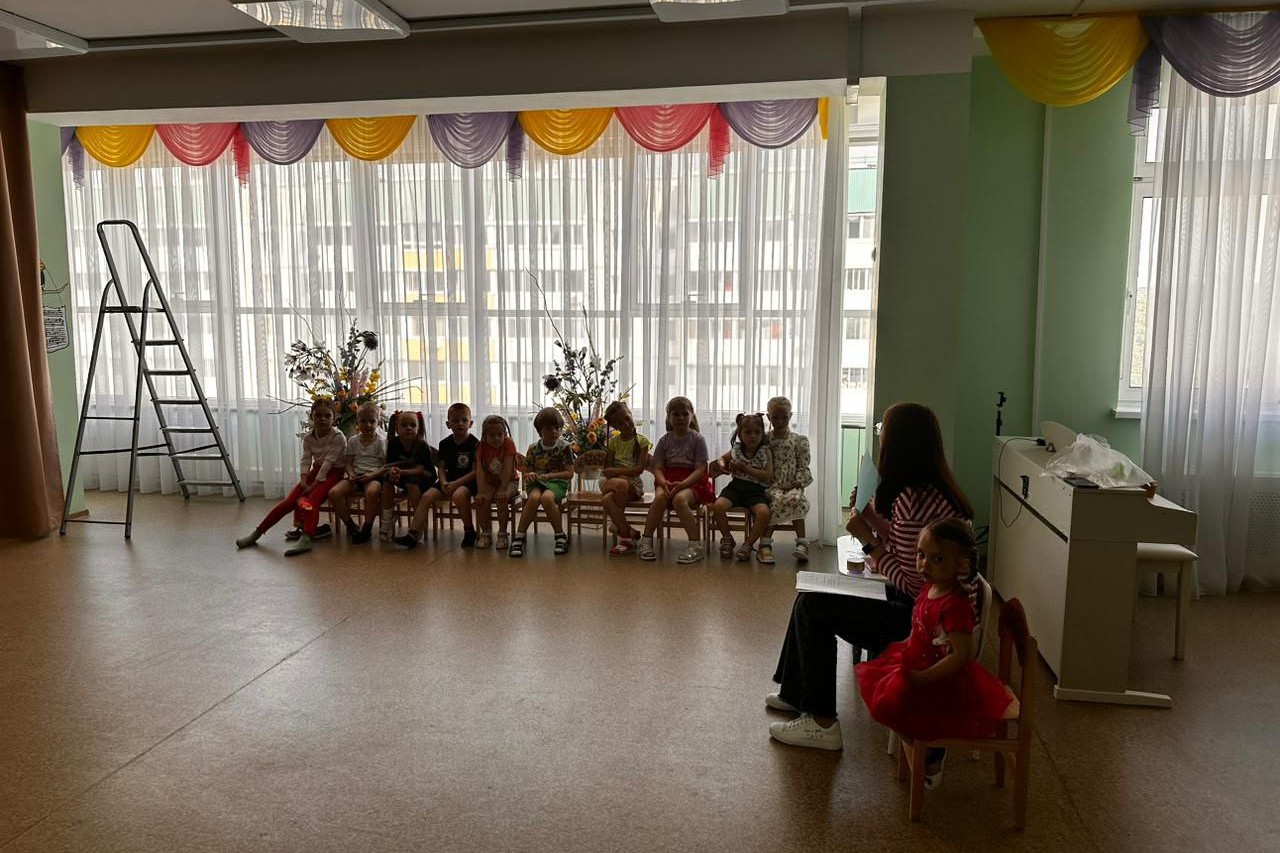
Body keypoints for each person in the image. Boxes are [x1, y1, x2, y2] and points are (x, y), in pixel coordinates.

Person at [767, 402, 975, 751]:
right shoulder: (930, 491)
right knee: (808, 599)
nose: (880, 438)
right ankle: (797, 693)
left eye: (882, 431)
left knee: (813, 608)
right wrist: (871, 519)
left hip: (922, 623)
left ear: (898, 443)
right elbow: (908, 547)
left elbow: (912, 582)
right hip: (924, 609)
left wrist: (867, 540)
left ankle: (822, 723)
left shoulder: (916, 501)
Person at [855, 519, 1015, 785]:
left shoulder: (955, 605)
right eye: (921, 555)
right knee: (884, 699)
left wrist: (923, 677)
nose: (924, 565)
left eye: (937, 559)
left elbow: (962, 655)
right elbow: (919, 629)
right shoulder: (929, 588)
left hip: (941, 677)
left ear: (960, 564)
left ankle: (930, 757)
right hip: (918, 661)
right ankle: (925, 750)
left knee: (894, 705)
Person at [235, 398, 346, 557]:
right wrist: (303, 480)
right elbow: (306, 460)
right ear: (311, 416)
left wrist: (313, 486)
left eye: (327, 416)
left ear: (334, 418)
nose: (322, 419)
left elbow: (328, 462)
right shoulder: (308, 437)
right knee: (288, 502)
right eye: (318, 415)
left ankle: (306, 538)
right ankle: (257, 533)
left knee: (311, 501)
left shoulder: (338, 437)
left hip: (334, 473)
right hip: (317, 471)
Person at [637, 396, 715, 564]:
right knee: (660, 498)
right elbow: (658, 467)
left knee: (680, 499)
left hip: (693, 481)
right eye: (676, 414)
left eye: (685, 414)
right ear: (669, 417)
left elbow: (700, 469)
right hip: (668, 478)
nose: (681, 417)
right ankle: (646, 541)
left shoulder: (698, 439)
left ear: (692, 416)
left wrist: (683, 485)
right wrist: (663, 482)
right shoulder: (664, 440)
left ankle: (695, 545)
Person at [509, 407, 576, 558]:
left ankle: (560, 535)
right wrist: (530, 474)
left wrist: (550, 476)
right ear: (540, 431)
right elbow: (526, 471)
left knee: (546, 498)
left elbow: (569, 473)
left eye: (558, 428)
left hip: (557, 482)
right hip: (536, 483)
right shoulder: (533, 448)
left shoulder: (565, 447)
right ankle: (519, 536)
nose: (554, 431)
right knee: (533, 498)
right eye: (549, 428)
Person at [709, 412, 773, 562]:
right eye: (748, 432)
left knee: (764, 513)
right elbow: (722, 459)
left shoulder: (765, 451)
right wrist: (723, 465)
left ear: (762, 433)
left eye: (757, 432)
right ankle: (727, 538)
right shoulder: (737, 449)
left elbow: (767, 475)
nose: (753, 436)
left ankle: (748, 544)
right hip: (736, 488)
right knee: (718, 506)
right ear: (740, 434)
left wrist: (746, 469)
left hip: (756, 491)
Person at [760, 396, 814, 564]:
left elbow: (803, 465)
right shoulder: (765, 440)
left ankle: (802, 543)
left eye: (784, 417)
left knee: (795, 498)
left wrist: (794, 483)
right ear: (768, 417)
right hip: (771, 485)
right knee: (776, 500)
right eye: (775, 417)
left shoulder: (798, 440)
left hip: (792, 484)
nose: (780, 421)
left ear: (790, 416)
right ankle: (765, 543)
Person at [327, 402, 386, 544]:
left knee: (372, 492)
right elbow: (348, 463)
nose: (368, 425)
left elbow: (385, 466)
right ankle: (351, 526)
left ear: (378, 422)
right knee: (334, 493)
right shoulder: (353, 441)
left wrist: (371, 476)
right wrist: (351, 474)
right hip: (356, 476)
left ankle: (367, 527)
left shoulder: (381, 441)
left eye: (372, 421)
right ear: (357, 422)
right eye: (363, 421)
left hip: (374, 477)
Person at [385, 411, 445, 550]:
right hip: (404, 474)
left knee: (412, 483)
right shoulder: (393, 443)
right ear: (397, 428)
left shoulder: (421, 445)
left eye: (413, 425)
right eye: (404, 425)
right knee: (387, 480)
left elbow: (419, 470)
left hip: (424, 476)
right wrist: (393, 471)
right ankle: (387, 520)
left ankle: (418, 526)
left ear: (418, 428)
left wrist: (400, 472)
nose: (408, 428)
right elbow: (390, 464)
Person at [601, 400, 652, 557]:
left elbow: (639, 469)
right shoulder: (613, 442)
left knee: (610, 497)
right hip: (612, 481)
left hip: (633, 485)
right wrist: (620, 475)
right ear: (615, 427)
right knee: (617, 488)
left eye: (627, 418)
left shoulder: (642, 441)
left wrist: (619, 474)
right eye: (620, 423)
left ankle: (621, 529)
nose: (626, 424)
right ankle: (626, 533)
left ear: (631, 414)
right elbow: (607, 470)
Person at [437, 403, 481, 547]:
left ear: (471, 423)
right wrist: (443, 482)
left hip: (468, 481)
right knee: (427, 496)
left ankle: (469, 530)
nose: (460, 424)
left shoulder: (475, 444)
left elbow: (475, 472)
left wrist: (455, 484)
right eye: (455, 420)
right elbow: (441, 468)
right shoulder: (444, 444)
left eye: (464, 420)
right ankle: (414, 533)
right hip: (448, 480)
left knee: (458, 495)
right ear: (448, 424)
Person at [473, 415, 519, 551]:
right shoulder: (481, 446)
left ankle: (502, 533)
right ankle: (486, 532)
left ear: (505, 434)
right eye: (491, 435)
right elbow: (480, 471)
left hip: (510, 481)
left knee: (501, 499)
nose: (496, 438)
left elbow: (507, 469)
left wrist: (503, 489)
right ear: (484, 436)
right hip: (490, 481)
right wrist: (481, 491)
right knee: (481, 500)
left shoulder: (508, 444)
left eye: (500, 434)